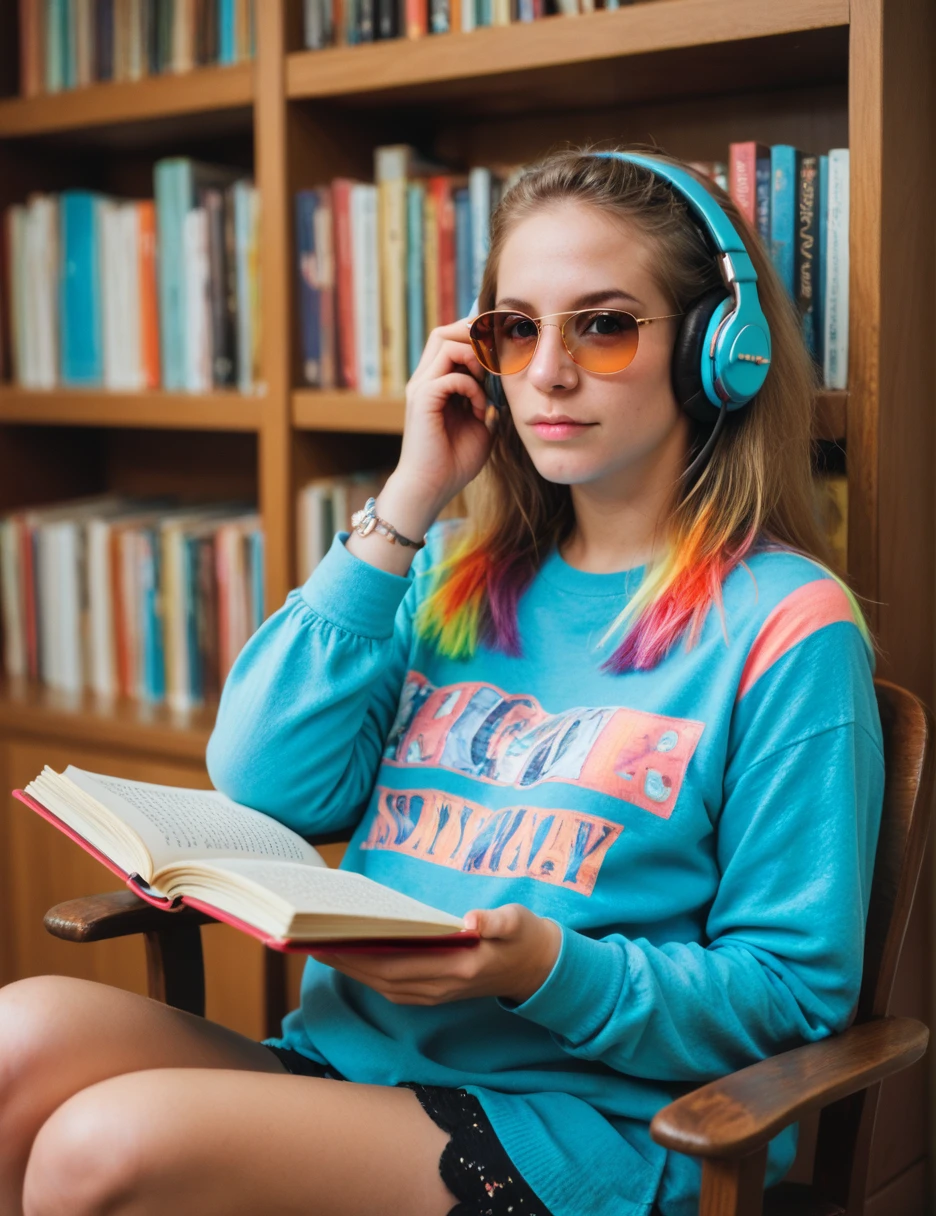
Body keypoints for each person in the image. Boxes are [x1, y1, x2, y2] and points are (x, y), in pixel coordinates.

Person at [0, 144, 883, 1216]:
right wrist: (412, 494)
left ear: (717, 352)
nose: (548, 371)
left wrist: (546, 968)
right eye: (519, 327)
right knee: (16, 1042)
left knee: (101, 1148)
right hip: (352, 1069)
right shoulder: (455, 574)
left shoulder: (788, 627)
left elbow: (793, 993)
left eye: (603, 325)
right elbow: (265, 779)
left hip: (581, 1123)